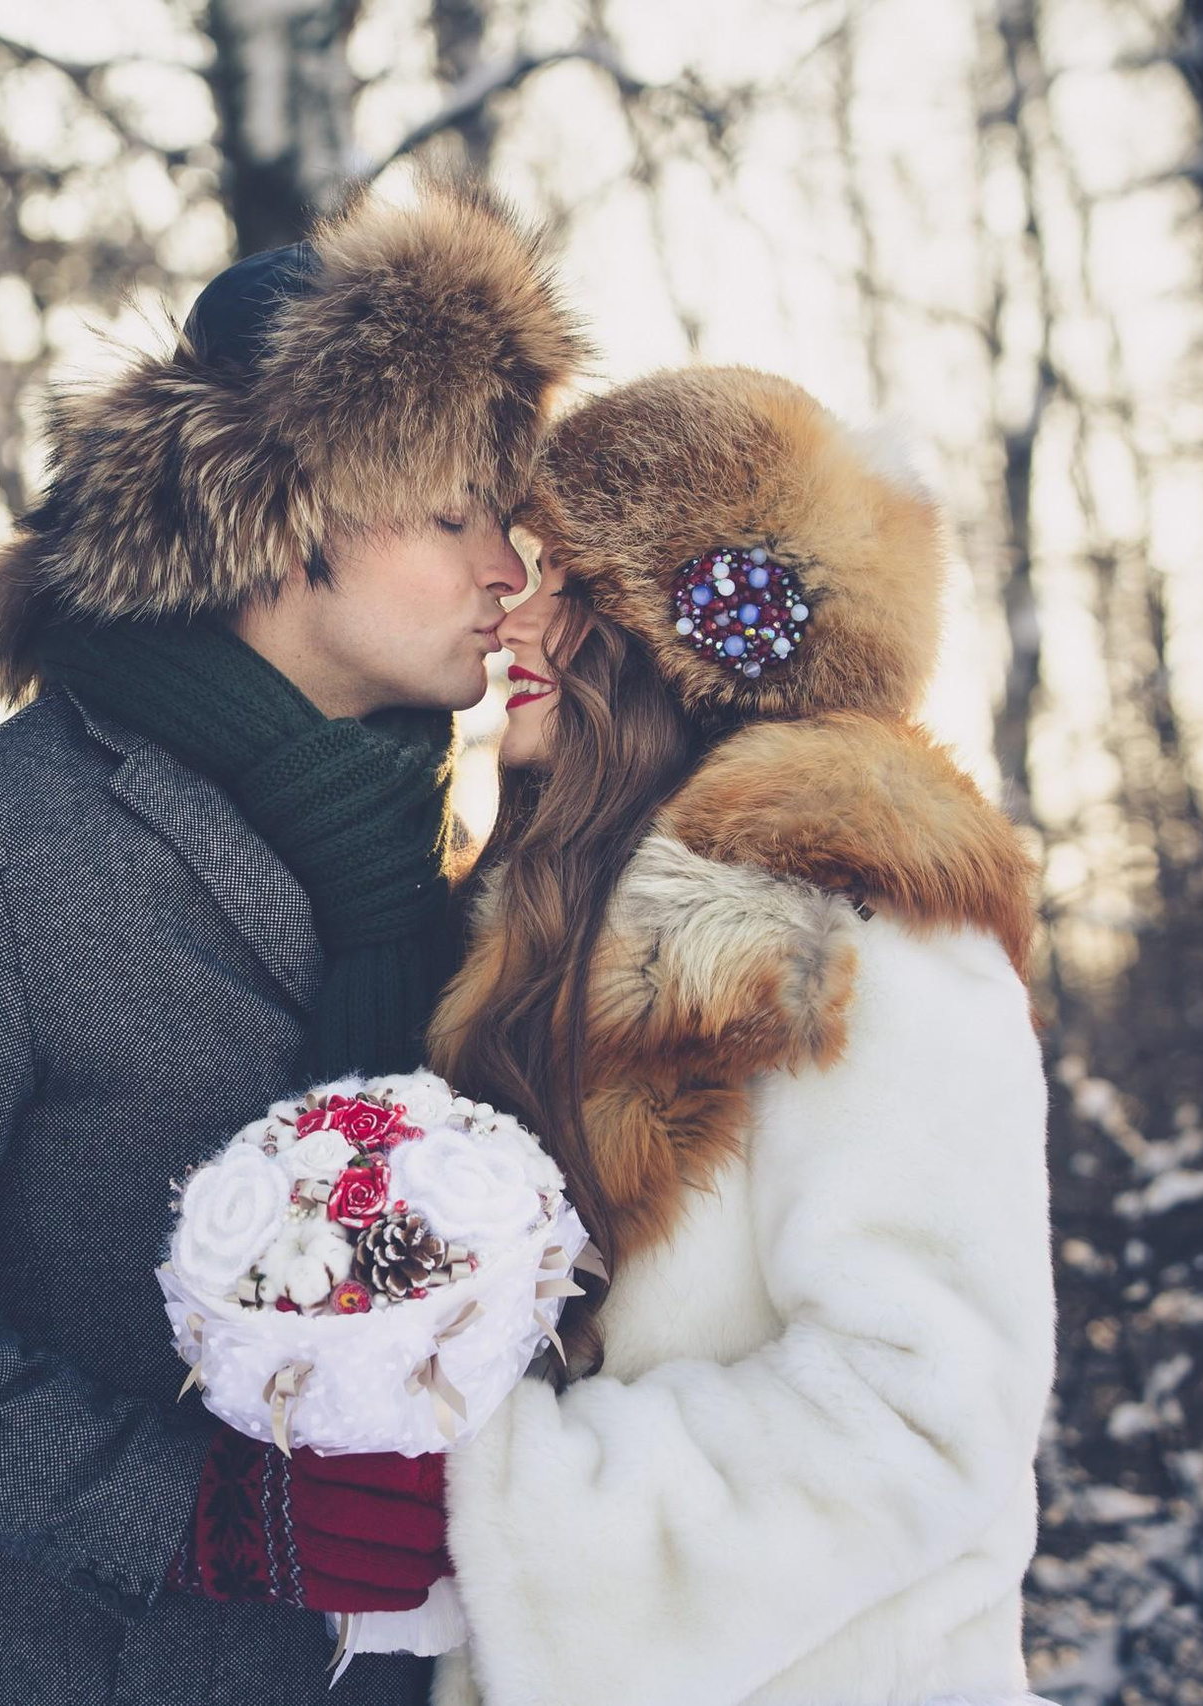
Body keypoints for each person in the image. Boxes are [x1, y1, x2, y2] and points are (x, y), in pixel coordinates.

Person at [0, 176, 589, 1706]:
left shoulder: (446, 866)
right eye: (457, 513)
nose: (504, 572)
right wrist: (194, 1508)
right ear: (291, 520)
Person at [426, 367, 1057, 1706]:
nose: (511, 616)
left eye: (567, 580)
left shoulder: (873, 928)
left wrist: (502, 1506)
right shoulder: (539, 936)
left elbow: (929, 1400)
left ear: (682, 636)